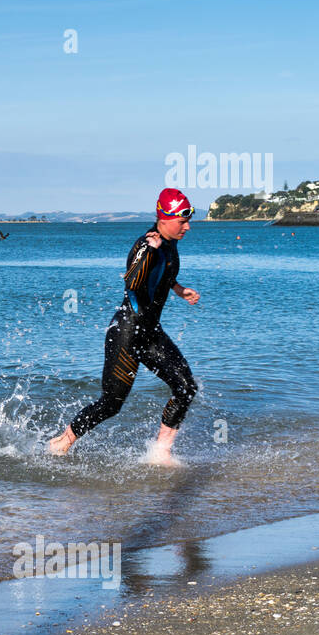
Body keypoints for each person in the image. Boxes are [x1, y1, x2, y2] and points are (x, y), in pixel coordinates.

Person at [49, 188, 201, 463]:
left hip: (150, 332)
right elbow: (131, 282)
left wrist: (179, 289)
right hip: (127, 333)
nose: (187, 227)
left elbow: (162, 275)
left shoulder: (169, 242)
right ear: (164, 218)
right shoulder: (147, 245)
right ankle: (61, 443)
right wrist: (148, 253)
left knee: (186, 387)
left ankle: (160, 453)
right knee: (111, 404)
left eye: (188, 220)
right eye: (182, 221)